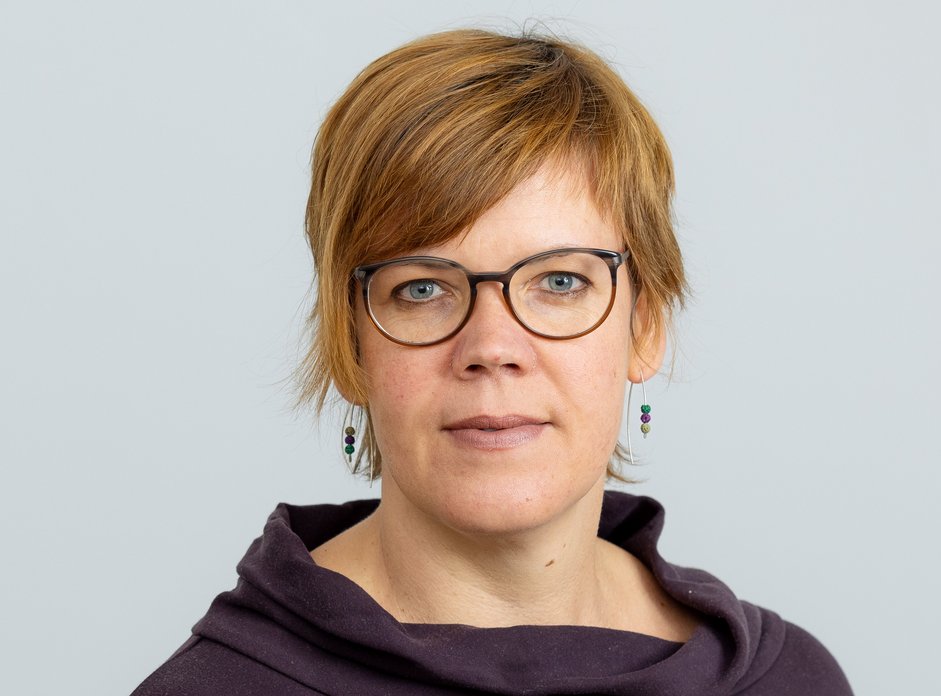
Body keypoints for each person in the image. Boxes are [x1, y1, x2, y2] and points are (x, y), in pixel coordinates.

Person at [131, 28, 853, 695]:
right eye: (422, 289)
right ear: (349, 344)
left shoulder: (790, 680)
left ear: (644, 327)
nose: (493, 349)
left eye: (560, 282)